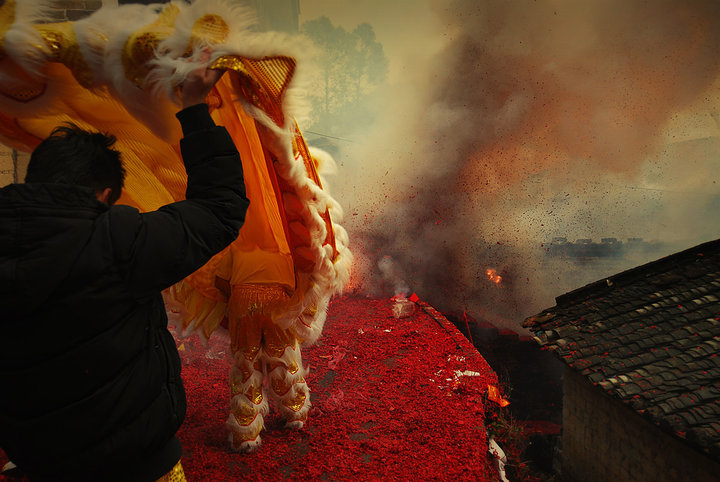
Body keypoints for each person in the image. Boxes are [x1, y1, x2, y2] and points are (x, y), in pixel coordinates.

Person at [0, 63, 248, 481]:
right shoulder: (117, 240)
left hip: (39, 461)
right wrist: (193, 107)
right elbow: (220, 207)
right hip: (137, 466)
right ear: (103, 193)